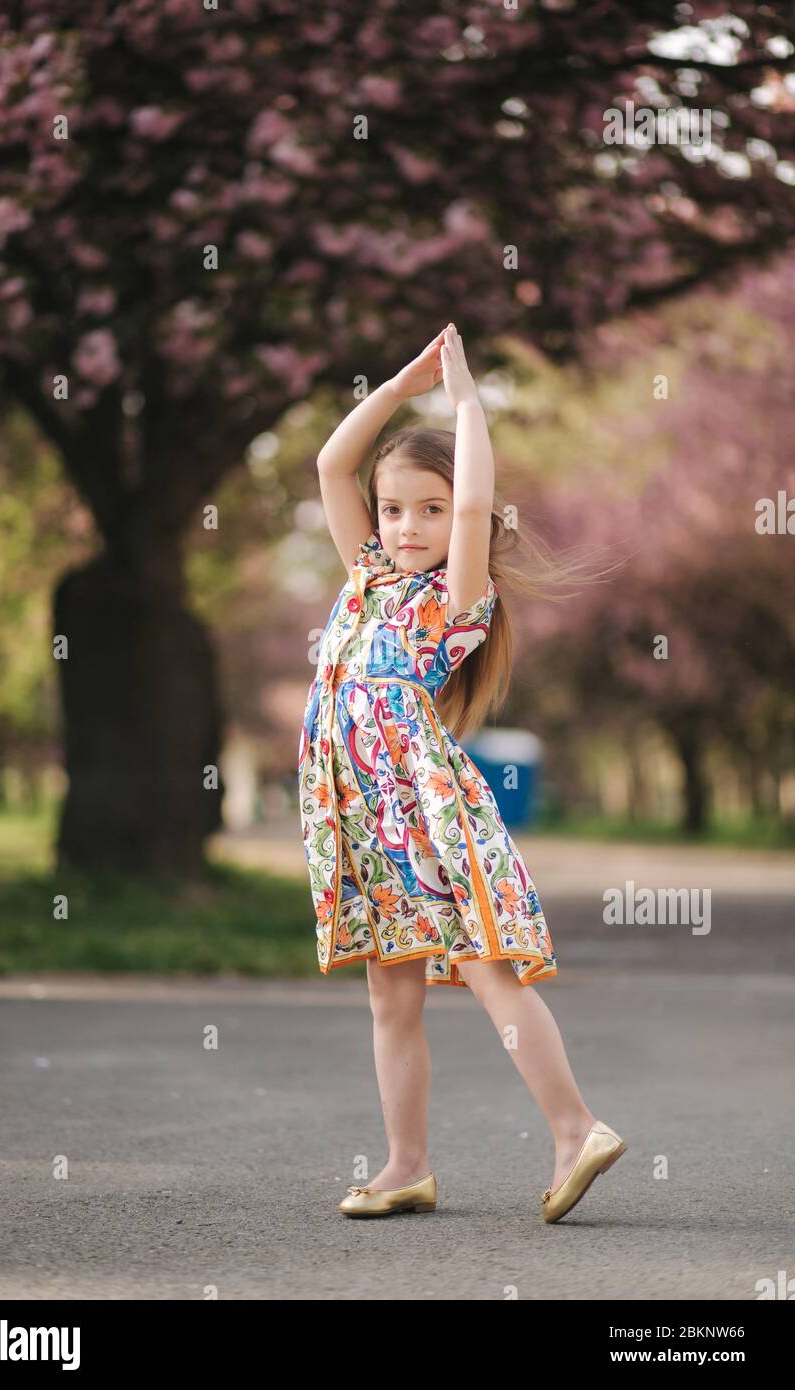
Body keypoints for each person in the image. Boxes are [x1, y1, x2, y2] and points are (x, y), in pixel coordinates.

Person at [298, 324, 626, 1223]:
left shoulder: (454, 600)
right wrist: (398, 388)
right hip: (361, 824)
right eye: (395, 508)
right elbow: (333, 465)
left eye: (430, 510)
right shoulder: (366, 577)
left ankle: (574, 1129)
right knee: (389, 990)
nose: (408, 526)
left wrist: (467, 402)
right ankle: (405, 1164)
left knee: (487, 969)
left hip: (424, 816)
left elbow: (477, 502)